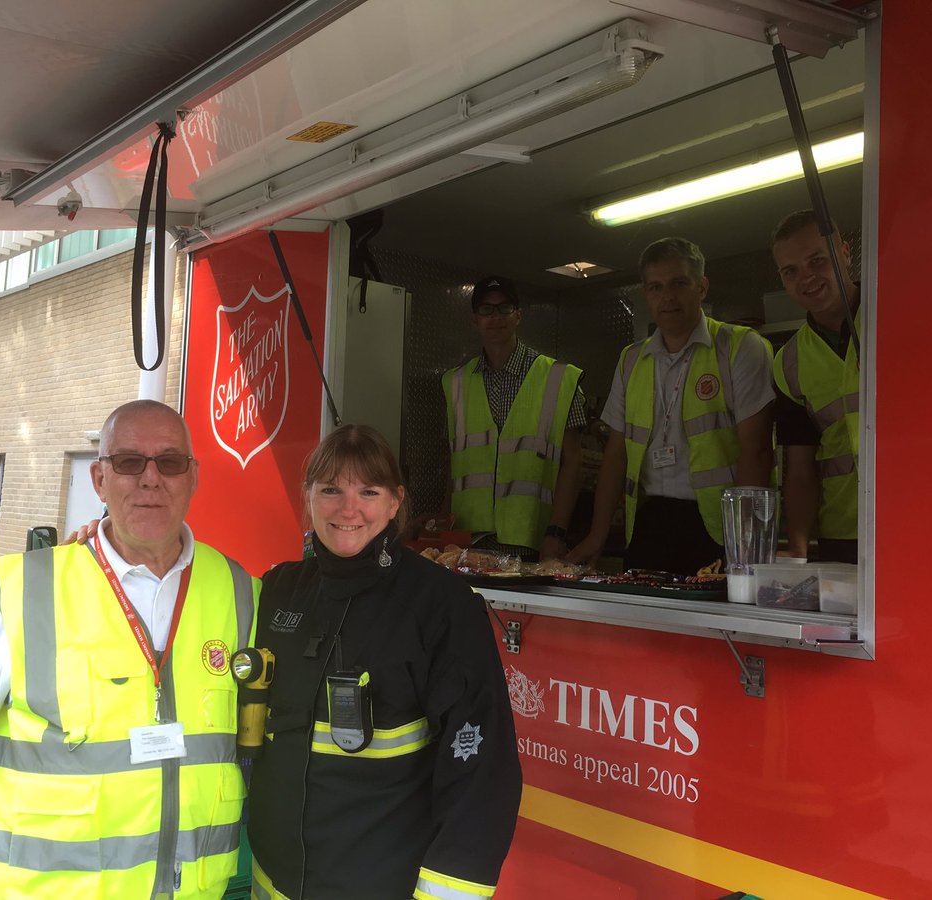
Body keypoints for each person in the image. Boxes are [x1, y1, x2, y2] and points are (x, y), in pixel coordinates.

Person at [0, 400, 259, 899]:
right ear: (100, 479)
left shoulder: (243, 592)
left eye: (169, 462)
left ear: (193, 477)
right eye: (128, 462)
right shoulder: (25, 592)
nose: (150, 479)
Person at [247, 423, 521, 900]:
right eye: (330, 489)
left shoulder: (441, 605)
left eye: (367, 492)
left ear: (395, 502)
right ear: (307, 497)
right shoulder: (274, 591)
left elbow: (482, 774)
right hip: (274, 882)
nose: (347, 508)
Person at [569, 238, 775, 575]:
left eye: (679, 283)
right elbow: (615, 454)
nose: (667, 296)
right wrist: (597, 535)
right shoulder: (631, 359)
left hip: (718, 529)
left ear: (701, 287)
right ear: (646, 294)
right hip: (647, 524)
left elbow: (758, 452)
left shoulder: (738, 347)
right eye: (655, 287)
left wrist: (745, 548)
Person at [438, 275, 586, 561]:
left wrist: (557, 533)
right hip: (467, 542)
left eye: (504, 308)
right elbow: (453, 464)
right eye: (486, 309)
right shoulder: (454, 382)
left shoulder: (559, 378)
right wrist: (445, 528)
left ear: (518, 315)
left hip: (532, 540)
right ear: (474, 319)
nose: (496, 317)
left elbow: (573, 464)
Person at [770, 210, 861, 563]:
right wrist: (798, 546)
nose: (806, 278)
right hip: (841, 535)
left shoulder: (899, 318)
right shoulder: (788, 362)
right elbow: (800, 469)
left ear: (845, 253)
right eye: (790, 271)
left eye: (817, 261)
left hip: (915, 519)